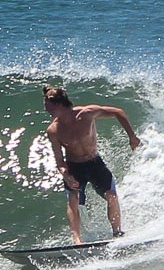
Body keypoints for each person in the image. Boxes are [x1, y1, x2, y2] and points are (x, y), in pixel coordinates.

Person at [42, 85, 141, 244]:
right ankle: (77, 239)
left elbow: (118, 112)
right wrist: (66, 175)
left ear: (58, 104)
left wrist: (132, 137)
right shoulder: (53, 130)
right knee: (73, 198)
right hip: (74, 167)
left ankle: (117, 233)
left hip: (95, 164)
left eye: (47, 105)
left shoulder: (87, 114)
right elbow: (59, 160)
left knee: (111, 196)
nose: (45, 109)